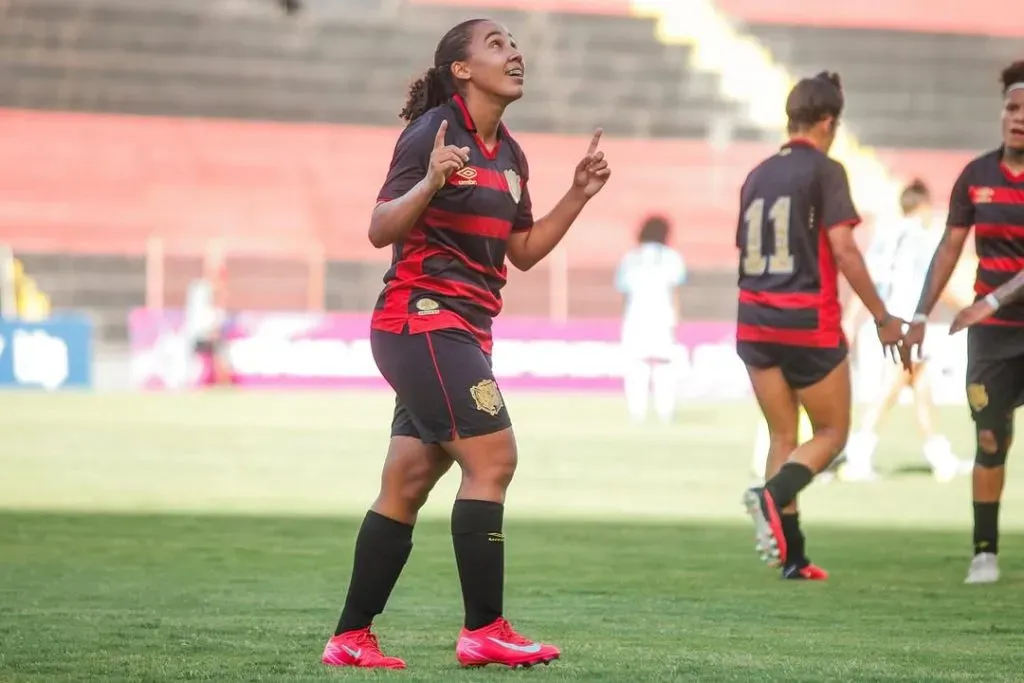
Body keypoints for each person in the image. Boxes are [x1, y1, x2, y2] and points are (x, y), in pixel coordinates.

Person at [321, 18, 611, 670]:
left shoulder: (510, 154)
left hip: (459, 331)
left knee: (408, 479)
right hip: (421, 321)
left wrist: (579, 194)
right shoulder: (432, 133)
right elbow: (377, 229)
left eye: (514, 44)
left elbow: (526, 252)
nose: (515, 53)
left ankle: (349, 637)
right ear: (461, 69)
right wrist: (428, 182)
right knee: (495, 459)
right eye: (498, 45)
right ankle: (485, 628)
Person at [737, 71, 904, 580]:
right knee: (831, 433)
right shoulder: (827, 171)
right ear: (829, 121)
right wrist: (881, 315)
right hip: (807, 320)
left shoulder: (757, 174)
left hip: (753, 319)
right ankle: (772, 496)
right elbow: (844, 249)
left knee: (782, 434)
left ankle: (793, 557)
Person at [902, 61, 1024, 585]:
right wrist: (920, 316)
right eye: (1013, 107)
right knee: (991, 442)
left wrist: (992, 300)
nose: (1018, 118)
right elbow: (948, 250)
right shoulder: (976, 178)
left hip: (992, 314)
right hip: (993, 340)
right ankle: (984, 553)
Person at [840, 180, 969, 482]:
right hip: (909, 320)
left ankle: (941, 458)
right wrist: (967, 309)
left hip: (886, 319)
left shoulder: (884, 237)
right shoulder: (922, 238)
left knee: (921, 386)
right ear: (923, 207)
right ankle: (859, 453)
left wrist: (851, 319)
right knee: (895, 385)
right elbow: (939, 281)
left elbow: (865, 281)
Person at [614, 215, 687, 423]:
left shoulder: (630, 258)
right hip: (663, 316)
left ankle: (637, 413)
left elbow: (624, 292)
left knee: (637, 367)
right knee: (664, 367)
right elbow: (675, 291)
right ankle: (666, 413)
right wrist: (676, 317)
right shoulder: (672, 257)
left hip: (636, 316)